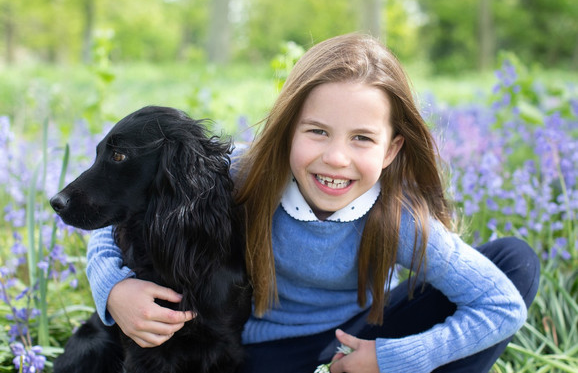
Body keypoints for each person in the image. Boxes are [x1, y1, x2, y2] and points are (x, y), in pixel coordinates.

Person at [85, 33, 540, 372]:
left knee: (514, 261)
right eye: (317, 131)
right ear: (288, 131)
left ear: (391, 151)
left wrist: (392, 357)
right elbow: (120, 207)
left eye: (362, 138)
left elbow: (501, 305)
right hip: (261, 352)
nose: (336, 158)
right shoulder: (246, 175)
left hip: (355, 339)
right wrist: (114, 290)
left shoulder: (396, 217)